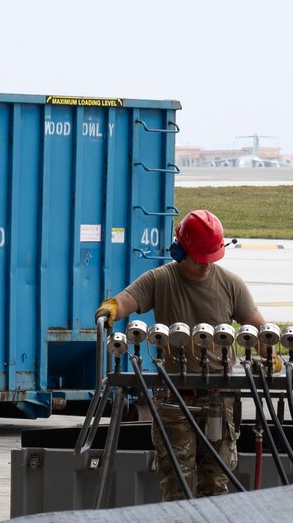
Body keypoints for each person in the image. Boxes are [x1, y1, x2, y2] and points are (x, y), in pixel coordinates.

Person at [97, 209, 266, 501]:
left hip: (218, 398)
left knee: (216, 483)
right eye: (199, 259)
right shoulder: (159, 280)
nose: (205, 266)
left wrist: (269, 353)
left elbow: (259, 328)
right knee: (177, 482)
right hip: (174, 399)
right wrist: (111, 308)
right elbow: (128, 300)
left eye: (211, 259)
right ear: (179, 251)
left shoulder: (230, 285)